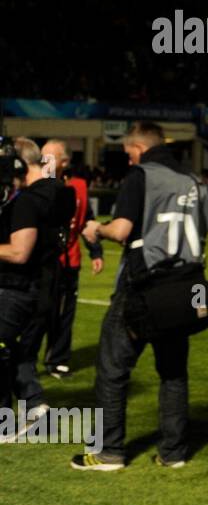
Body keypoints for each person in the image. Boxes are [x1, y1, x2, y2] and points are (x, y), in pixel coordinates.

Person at [73, 122, 208, 470]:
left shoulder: (142, 175)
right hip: (184, 284)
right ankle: (173, 452)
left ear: (138, 148)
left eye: (127, 152)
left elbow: (121, 230)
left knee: (112, 367)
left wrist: (97, 229)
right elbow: (206, 224)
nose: (127, 158)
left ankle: (109, 451)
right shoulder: (194, 180)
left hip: (143, 286)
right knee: (172, 370)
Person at [0, 138, 68, 429]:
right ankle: (34, 402)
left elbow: (19, 252)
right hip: (47, 281)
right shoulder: (60, 192)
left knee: (6, 347)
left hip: (22, 284)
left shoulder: (28, 200)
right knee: (20, 349)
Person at [26, 141, 104, 380]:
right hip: (41, 262)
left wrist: (96, 252)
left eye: (49, 157)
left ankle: (57, 360)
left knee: (64, 312)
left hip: (69, 260)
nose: (44, 162)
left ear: (64, 162)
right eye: (43, 157)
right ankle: (26, 360)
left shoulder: (79, 186)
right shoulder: (36, 185)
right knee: (38, 313)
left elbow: (86, 220)